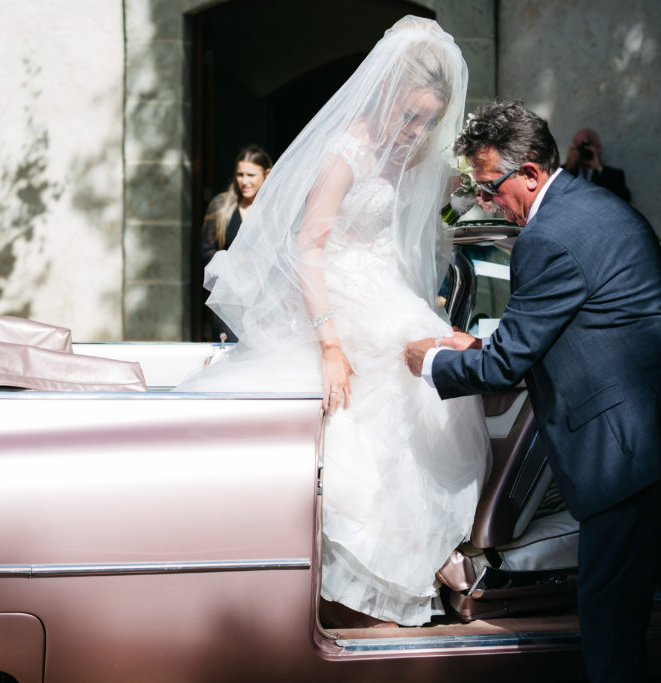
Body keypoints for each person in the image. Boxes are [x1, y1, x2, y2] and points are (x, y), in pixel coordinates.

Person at [178, 16, 491, 627]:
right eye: (410, 117)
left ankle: (424, 556)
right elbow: (307, 246)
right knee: (360, 432)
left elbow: (435, 213)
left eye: (429, 121)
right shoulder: (348, 148)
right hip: (339, 303)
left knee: (433, 401)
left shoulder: (416, 155)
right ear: (387, 95)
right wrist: (329, 343)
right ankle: (372, 575)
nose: (417, 131)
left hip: (389, 296)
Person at [404, 100, 661, 681]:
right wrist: (480, 348)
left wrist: (429, 361)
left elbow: (504, 367)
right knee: (642, 618)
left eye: (489, 189)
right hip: (658, 438)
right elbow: (582, 328)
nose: (487, 203)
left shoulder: (547, 239)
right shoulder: (600, 208)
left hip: (619, 457)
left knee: (611, 635)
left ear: (531, 173)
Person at [200, 145, 273, 341]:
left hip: (265, 298)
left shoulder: (274, 209)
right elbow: (206, 251)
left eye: (251, 175)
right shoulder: (221, 206)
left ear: (267, 174)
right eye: (240, 174)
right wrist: (233, 260)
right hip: (231, 299)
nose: (244, 181)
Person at [562, 127, 631, 202]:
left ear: (598, 148)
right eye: (579, 148)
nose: (582, 151)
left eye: (586, 147)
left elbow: (623, 200)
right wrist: (569, 167)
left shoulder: (614, 175)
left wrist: (599, 169)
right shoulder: (562, 172)